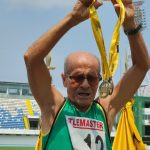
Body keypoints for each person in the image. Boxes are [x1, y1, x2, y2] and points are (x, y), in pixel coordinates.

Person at [24, 0, 150, 149]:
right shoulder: (53, 107)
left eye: (91, 78)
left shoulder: (105, 110)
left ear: (99, 80)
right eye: (77, 77)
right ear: (64, 80)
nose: (85, 84)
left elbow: (142, 66)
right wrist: (72, 19)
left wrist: (130, 24)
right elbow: (32, 58)